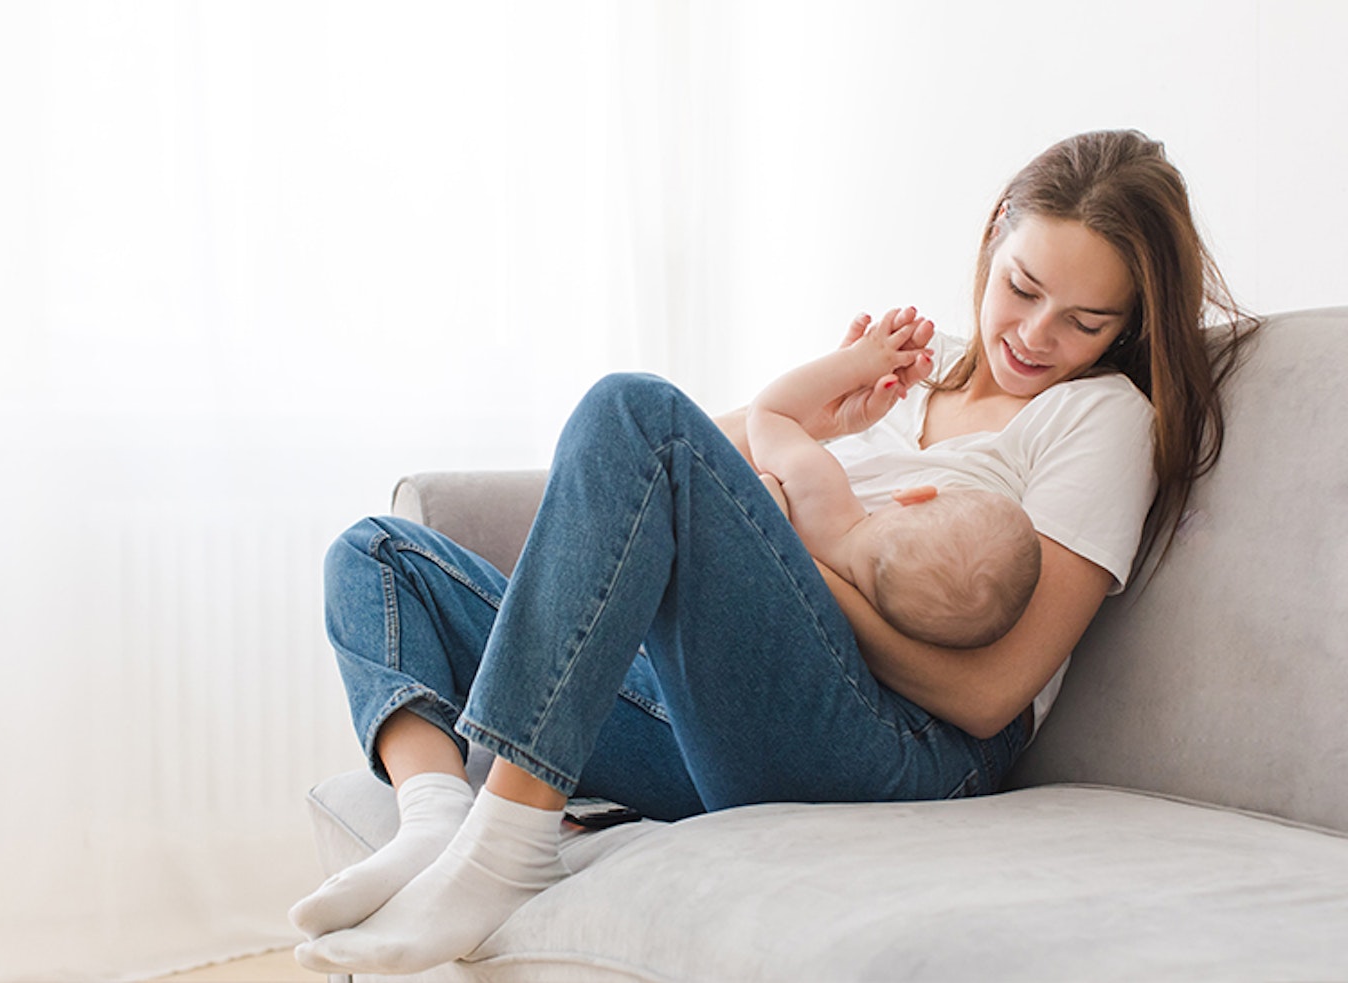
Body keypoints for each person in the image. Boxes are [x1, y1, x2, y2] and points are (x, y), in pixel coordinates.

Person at [291, 129, 1258, 975]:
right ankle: (437, 823)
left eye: (1086, 322)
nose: (1036, 336)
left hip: (899, 745)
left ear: (1128, 326)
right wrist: (820, 397)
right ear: (998, 230)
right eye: (1022, 287)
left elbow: (989, 695)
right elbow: (643, 473)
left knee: (635, 403)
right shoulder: (906, 375)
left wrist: (805, 548)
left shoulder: (1098, 417)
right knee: (377, 557)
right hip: (727, 709)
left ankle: (507, 847)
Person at [748, 305, 1041, 650]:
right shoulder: (857, 620)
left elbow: (769, 412)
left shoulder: (821, 490)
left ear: (913, 495)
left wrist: (855, 363)